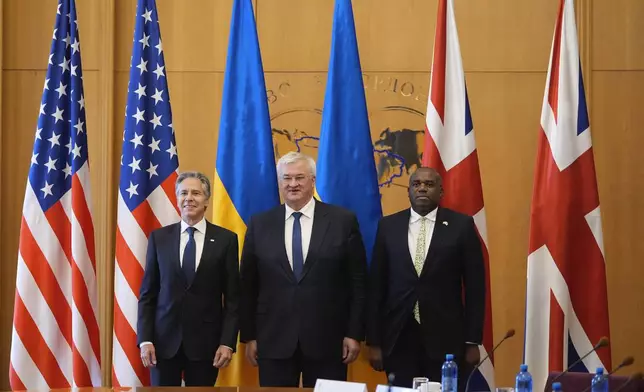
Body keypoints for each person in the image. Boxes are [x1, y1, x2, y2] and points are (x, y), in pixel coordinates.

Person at [239, 151, 367, 387]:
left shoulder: (342, 221)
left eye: (300, 177)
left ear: (313, 180)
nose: (293, 184)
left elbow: (358, 282)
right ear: (279, 183)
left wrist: (354, 333)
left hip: (329, 340)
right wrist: (250, 336)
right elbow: (248, 285)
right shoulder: (260, 223)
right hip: (273, 339)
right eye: (286, 178)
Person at [366, 167, 485, 389]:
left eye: (429, 185)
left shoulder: (461, 226)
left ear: (441, 192)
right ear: (409, 191)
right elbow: (376, 287)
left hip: (446, 339)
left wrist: (472, 341)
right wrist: (374, 341)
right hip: (398, 337)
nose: (422, 188)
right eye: (416, 184)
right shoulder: (388, 226)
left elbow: (475, 287)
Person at [137, 171, 240, 386]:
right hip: (163, 345)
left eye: (196, 193)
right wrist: (145, 340)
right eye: (183, 193)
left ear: (206, 201)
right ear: (177, 199)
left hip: (207, 346)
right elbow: (148, 294)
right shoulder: (159, 238)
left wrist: (227, 343)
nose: (189, 198)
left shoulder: (226, 240)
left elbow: (233, 300)